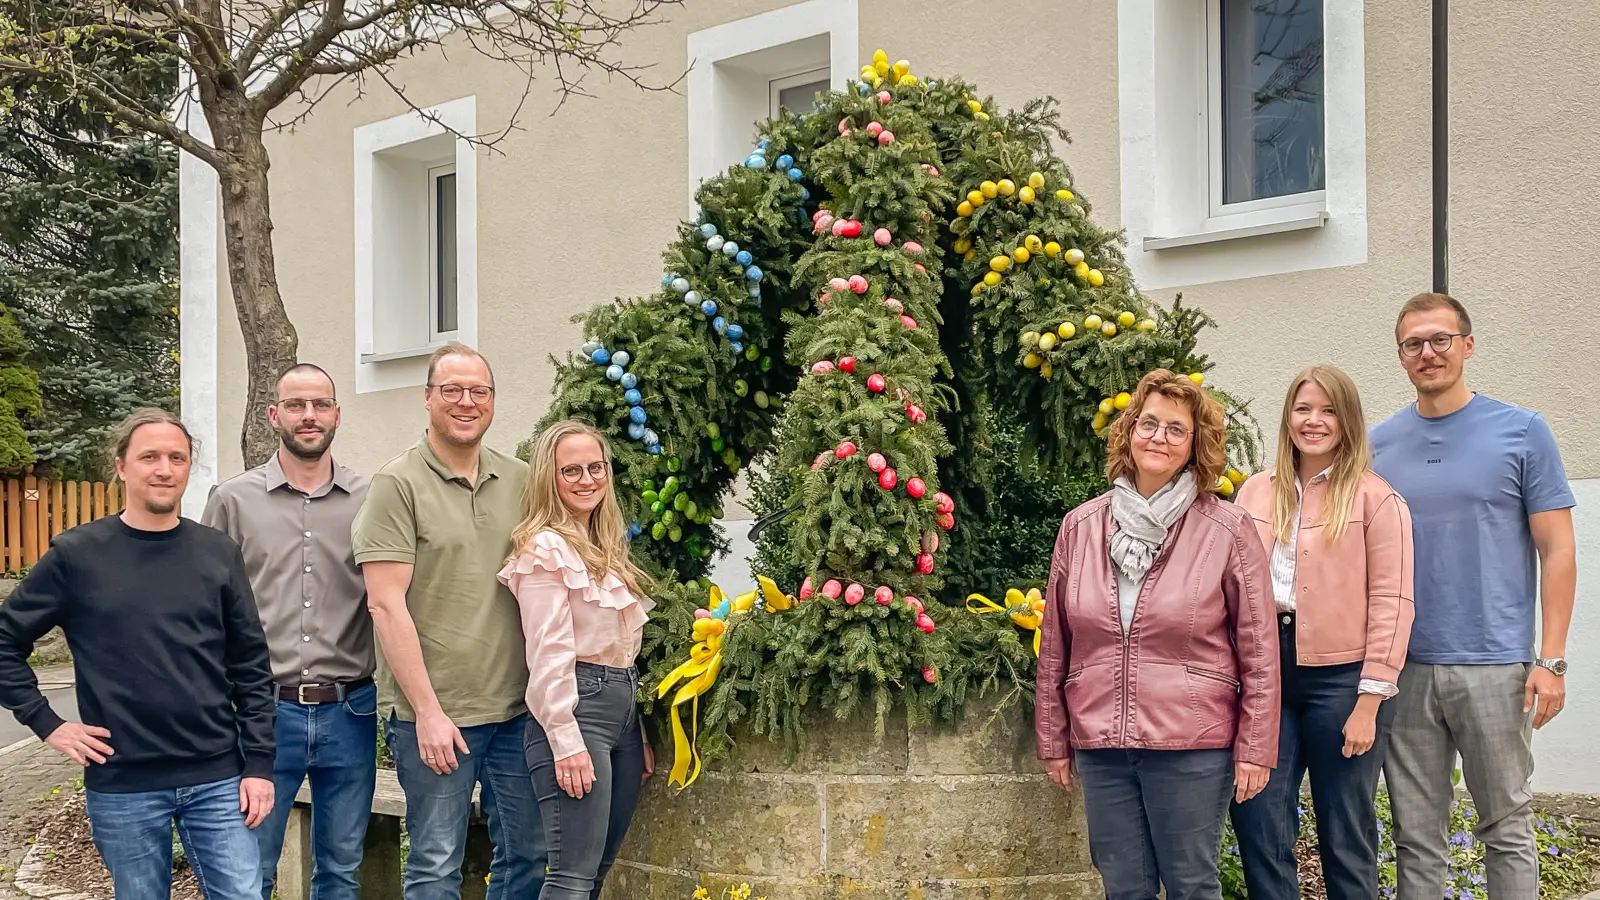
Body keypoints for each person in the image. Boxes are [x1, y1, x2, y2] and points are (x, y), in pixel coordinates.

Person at [0, 409, 276, 900]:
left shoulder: (217, 553)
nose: (164, 469)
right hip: (123, 782)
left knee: (242, 894)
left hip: (216, 775)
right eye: (149, 456)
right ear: (121, 466)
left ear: (189, 468)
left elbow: (250, 666)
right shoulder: (77, 555)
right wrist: (46, 722)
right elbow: (5, 642)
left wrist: (257, 765)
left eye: (177, 457)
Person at [1035, 368, 1279, 900]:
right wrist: (1054, 738)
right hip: (1102, 740)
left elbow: (1259, 650)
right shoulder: (1080, 527)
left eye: (1176, 429)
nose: (1159, 438)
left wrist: (1256, 748)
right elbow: (1055, 644)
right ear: (1129, 431)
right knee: (1123, 886)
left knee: (1191, 884)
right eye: (1149, 423)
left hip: (1191, 742)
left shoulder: (1228, 528)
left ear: (1195, 446)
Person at [1373, 293, 1577, 899]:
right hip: (1402, 668)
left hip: (1497, 667)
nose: (1428, 353)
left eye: (1441, 339)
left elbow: (1557, 549)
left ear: (1467, 345)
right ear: (1402, 356)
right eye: (1414, 344)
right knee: (1415, 834)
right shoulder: (1379, 444)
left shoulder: (1522, 431)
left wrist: (1552, 658)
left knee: (1507, 827)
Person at [351, 343, 545, 900]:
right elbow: (385, 605)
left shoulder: (522, 479)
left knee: (528, 855)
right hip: (434, 719)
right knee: (436, 865)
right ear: (428, 399)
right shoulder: (397, 484)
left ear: (492, 400)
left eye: (478, 391)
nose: (466, 401)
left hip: (515, 711)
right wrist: (429, 713)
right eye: (452, 390)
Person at [1229, 365, 1415, 899]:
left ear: (1348, 419)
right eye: (1303, 408)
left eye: (1328, 410)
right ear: (1288, 416)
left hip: (1343, 682)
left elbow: (1393, 601)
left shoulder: (1376, 499)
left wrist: (1369, 700)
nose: (1314, 421)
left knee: (1345, 832)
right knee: (1260, 822)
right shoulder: (1254, 494)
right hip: (1267, 679)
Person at [203, 364, 375, 900]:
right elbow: (205, 605)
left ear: (337, 415)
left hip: (351, 710)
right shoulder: (232, 500)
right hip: (261, 713)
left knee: (341, 872)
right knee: (251, 871)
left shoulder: (371, 497)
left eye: (321, 405)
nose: (310, 416)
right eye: (297, 405)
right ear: (274, 414)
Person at [500, 420, 656, 900]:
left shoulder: (606, 545)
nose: (587, 479)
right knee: (571, 874)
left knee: (598, 871)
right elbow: (548, 651)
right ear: (550, 477)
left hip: (619, 711)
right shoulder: (545, 548)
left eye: (596, 467)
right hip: (574, 709)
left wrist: (635, 728)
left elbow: (621, 652)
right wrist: (565, 740)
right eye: (572, 470)